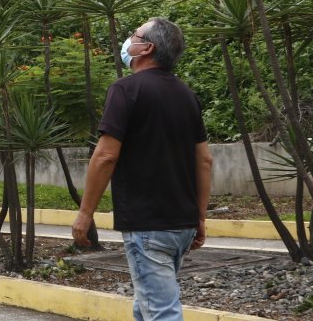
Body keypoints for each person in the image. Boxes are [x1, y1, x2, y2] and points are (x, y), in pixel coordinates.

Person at [72, 17, 213, 321]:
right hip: (182, 224)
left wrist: (85, 213)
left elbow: (106, 155)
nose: (128, 40)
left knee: (160, 312)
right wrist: (199, 216)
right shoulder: (187, 96)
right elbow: (204, 160)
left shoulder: (125, 90)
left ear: (146, 48)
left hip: (148, 226)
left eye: (134, 35)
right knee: (146, 304)